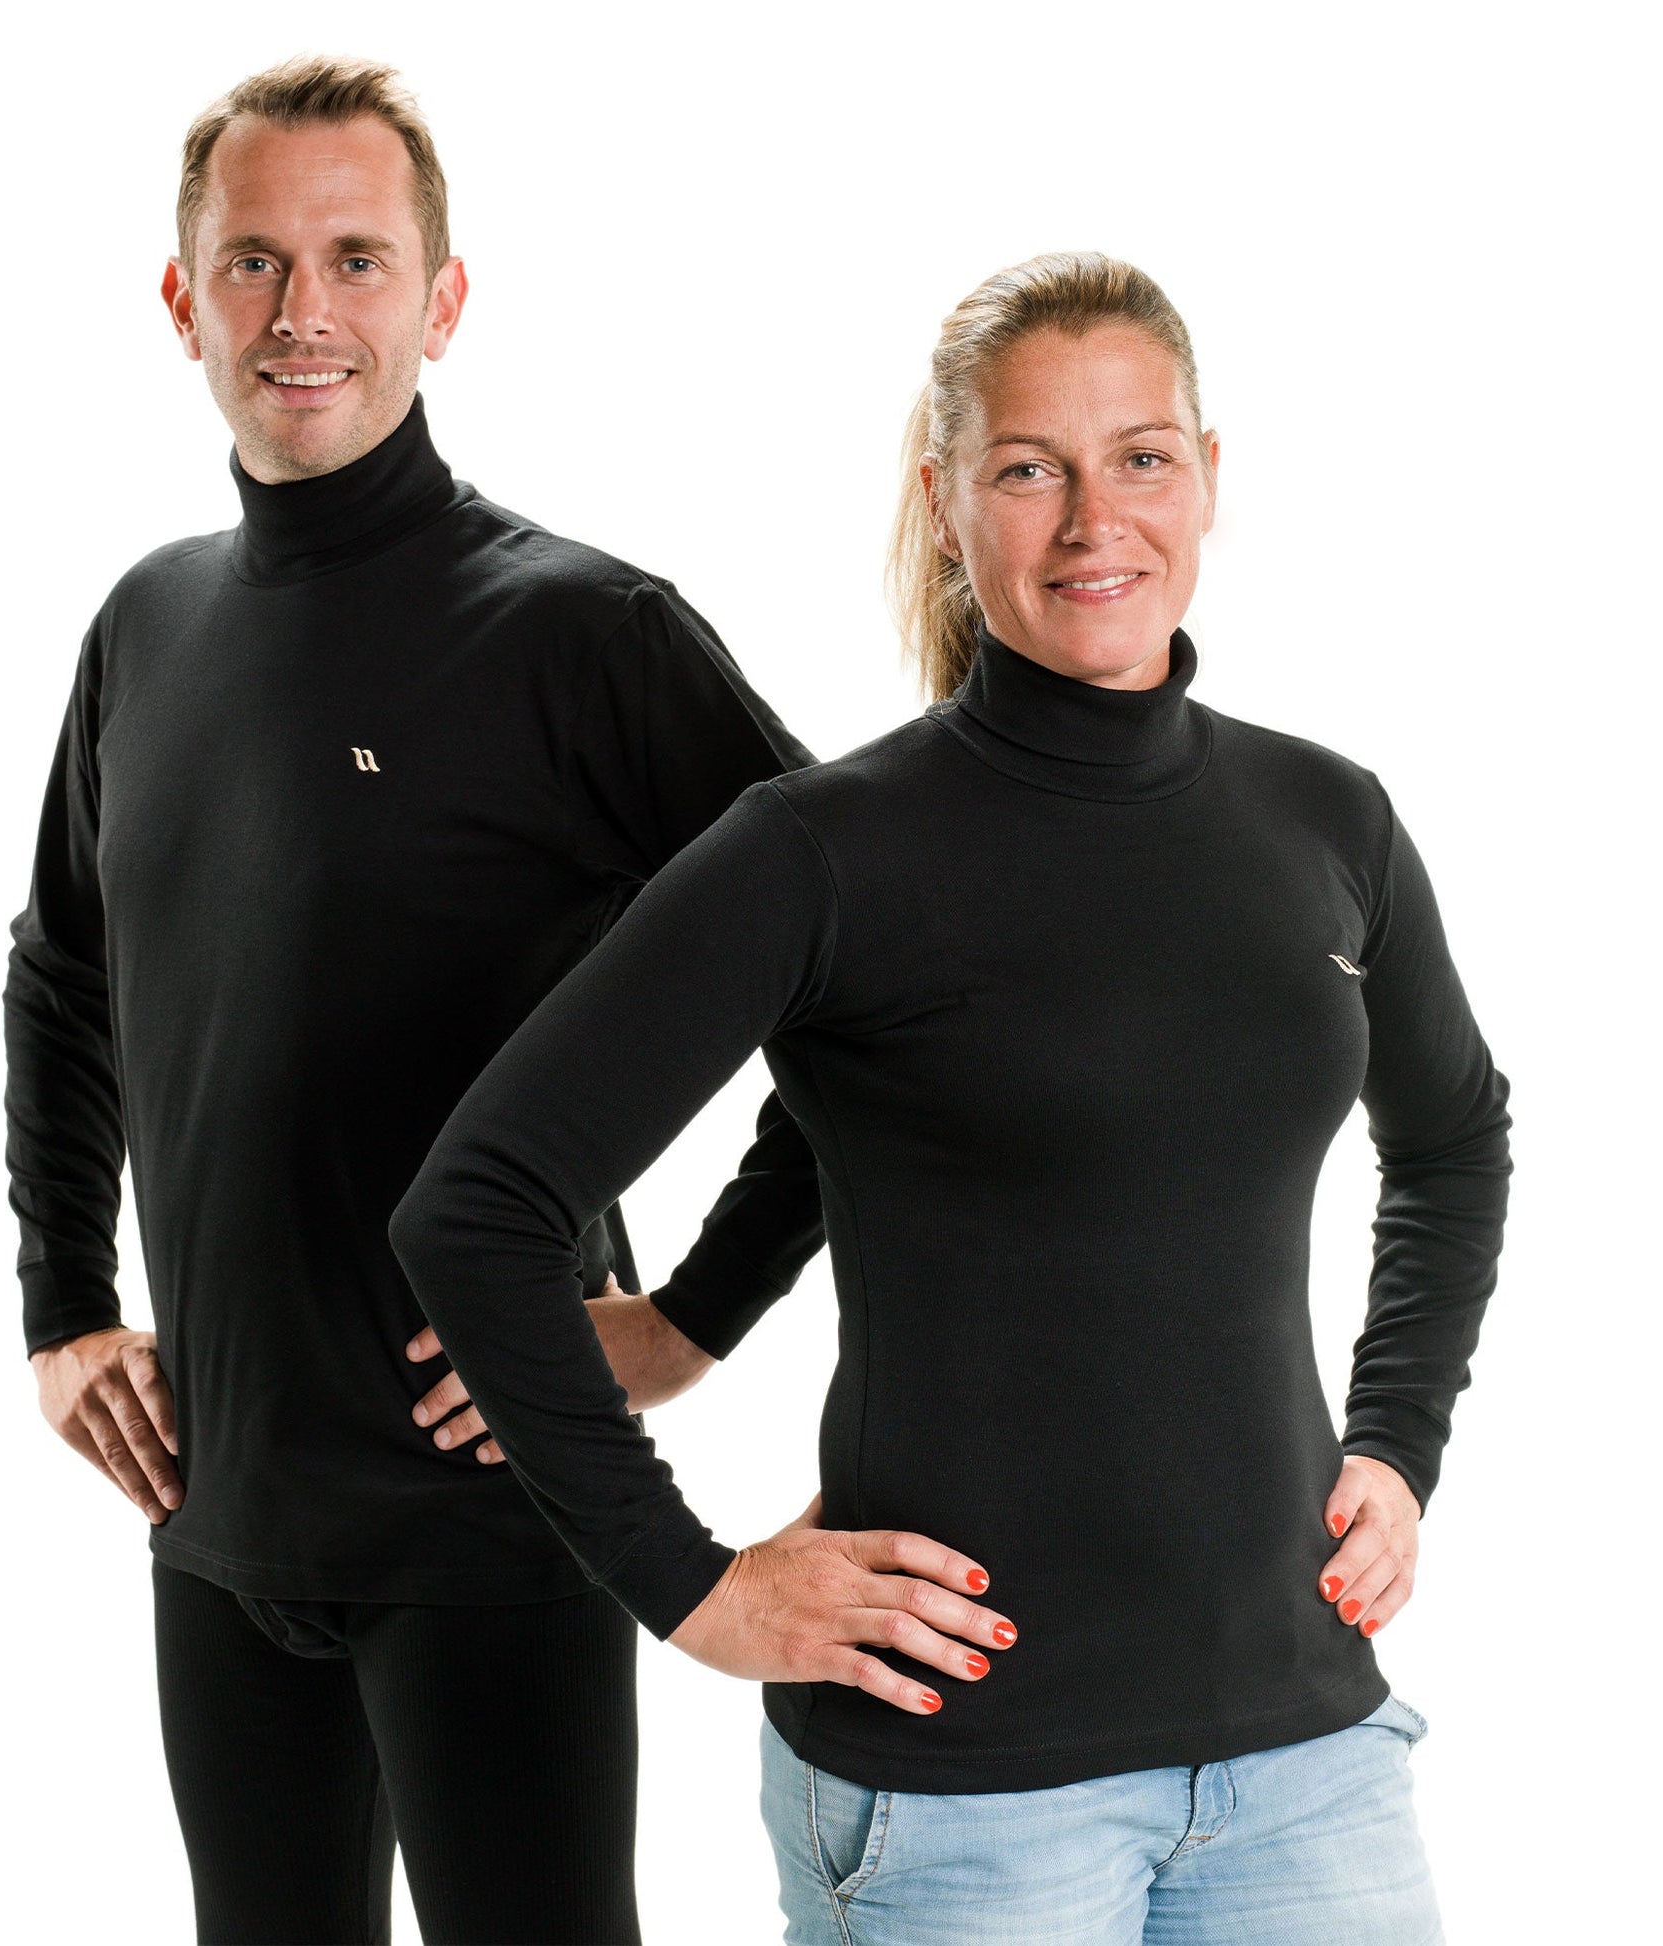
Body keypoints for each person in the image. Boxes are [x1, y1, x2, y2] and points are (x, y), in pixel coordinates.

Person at [389, 252, 1511, 1944]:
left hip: (1304, 1752)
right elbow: (473, 1209)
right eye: (1028, 468)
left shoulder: (1325, 819)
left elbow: (1453, 1138)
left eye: (1140, 457)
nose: (1092, 520)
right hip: (959, 1792)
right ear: (944, 498)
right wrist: (688, 1585)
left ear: (1209, 475)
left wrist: (1397, 1441)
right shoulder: (825, 850)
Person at [3, 54, 826, 1946]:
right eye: (255, 262)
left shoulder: (583, 633)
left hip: (494, 1521)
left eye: (357, 260)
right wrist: (63, 1307)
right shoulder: (146, 624)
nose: (302, 311)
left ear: (442, 301)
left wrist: (690, 1318)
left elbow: (869, 988)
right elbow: (61, 974)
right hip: (218, 1523)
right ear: (183, 299)